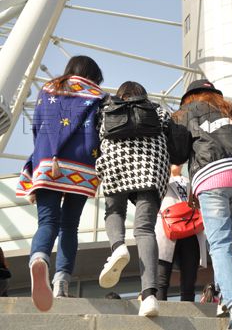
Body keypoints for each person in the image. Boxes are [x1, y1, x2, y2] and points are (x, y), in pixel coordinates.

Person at [173, 79, 232, 330]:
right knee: (223, 241)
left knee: (220, 243)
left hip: (212, 177)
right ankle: (225, 295)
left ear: (189, 97)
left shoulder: (186, 112)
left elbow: (178, 153)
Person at [16, 56, 105, 311]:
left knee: (47, 222)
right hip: (82, 167)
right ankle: (62, 281)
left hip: (47, 162)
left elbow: (37, 127)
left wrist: (44, 154)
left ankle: (39, 257)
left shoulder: (48, 89)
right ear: (93, 75)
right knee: (69, 226)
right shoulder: (98, 96)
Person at [96, 81, 185, 317]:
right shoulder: (158, 111)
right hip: (151, 168)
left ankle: (118, 247)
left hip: (116, 163)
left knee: (114, 211)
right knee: (145, 229)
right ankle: (149, 296)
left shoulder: (107, 110)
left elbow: (97, 138)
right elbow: (175, 143)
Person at [156, 165, 207, 301]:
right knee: (161, 279)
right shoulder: (160, 178)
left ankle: (188, 310)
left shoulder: (192, 181)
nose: (177, 163)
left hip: (191, 229)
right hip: (167, 229)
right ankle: (160, 310)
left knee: (189, 281)